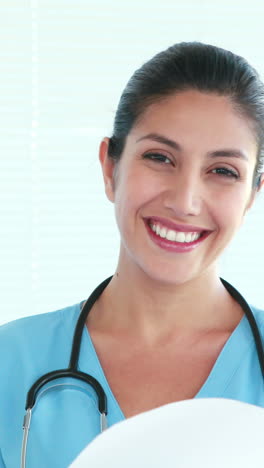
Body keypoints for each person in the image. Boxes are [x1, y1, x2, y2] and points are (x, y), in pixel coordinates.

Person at [0, 41, 264, 468]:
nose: (185, 201)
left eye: (223, 171)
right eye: (160, 157)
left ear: (253, 194)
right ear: (110, 168)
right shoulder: (10, 361)